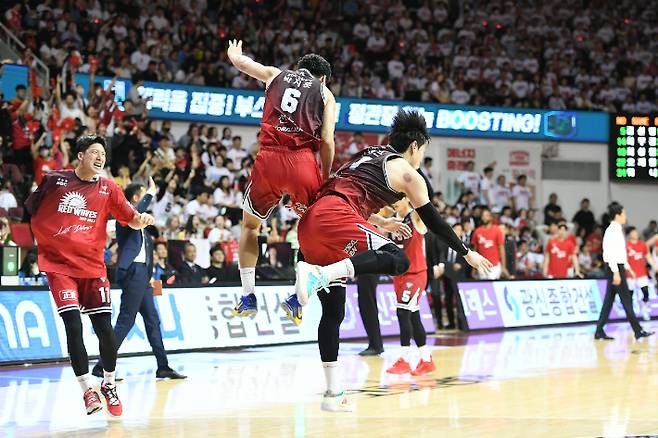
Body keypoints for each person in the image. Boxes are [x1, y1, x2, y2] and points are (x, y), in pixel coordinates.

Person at [285, 110, 492, 412]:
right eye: (423, 151)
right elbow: (434, 222)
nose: (421, 157)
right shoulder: (409, 174)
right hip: (335, 218)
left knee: (333, 313)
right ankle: (318, 276)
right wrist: (466, 252)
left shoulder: (367, 154)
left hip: (311, 223)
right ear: (415, 146)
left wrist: (381, 225)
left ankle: (332, 394)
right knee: (397, 259)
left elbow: (345, 193)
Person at [25, 135, 155, 417]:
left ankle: (108, 384)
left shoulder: (109, 188)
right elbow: (31, 208)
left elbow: (130, 218)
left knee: (104, 330)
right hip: (59, 267)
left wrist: (141, 219)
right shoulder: (54, 181)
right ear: (80, 156)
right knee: (72, 324)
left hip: (93, 268)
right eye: (94, 152)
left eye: (103, 154)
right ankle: (87, 389)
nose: (100, 157)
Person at [226, 40, 337, 321]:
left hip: (269, 160)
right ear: (322, 77)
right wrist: (325, 175)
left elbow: (243, 64)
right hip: (302, 162)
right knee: (315, 231)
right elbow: (326, 140)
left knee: (250, 227)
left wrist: (234, 55)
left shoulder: (276, 74)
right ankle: (297, 299)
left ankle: (248, 296)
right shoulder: (325, 93)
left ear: (299, 69)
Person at [92, 180, 186, 380]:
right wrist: (151, 192)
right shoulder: (124, 218)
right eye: (142, 195)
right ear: (136, 198)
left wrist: (150, 276)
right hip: (132, 272)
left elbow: (148, 254)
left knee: (153, 320)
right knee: (126, 321)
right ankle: (102, 366)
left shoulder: (143, 228)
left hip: (143, 275)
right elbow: (137, 211)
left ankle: (163, 366)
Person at [386, 198, 435, 376]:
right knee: (413, 317)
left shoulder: (416, 218)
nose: (394, 201)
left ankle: (404, 359)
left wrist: (412, 175)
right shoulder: (390, 220)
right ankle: (426, 360)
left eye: (398, 197)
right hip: (399, 275)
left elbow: (422, 198)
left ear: (407, 198)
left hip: (416, 273)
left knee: (402, 313)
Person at [594, 203, 653, 341]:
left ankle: (599, 331)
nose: (626, 216)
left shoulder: (617, 230)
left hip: (618, 266)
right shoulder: (612, 231)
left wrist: (627, 267)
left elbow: (620, 253)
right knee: (626, 300)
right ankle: (638, 331)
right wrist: (615, 271)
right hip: (614, 267)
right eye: (624, 214)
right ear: (618, 215)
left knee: (609, 301)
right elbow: (609, 253)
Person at [626, 227, 658, 321]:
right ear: (629, 234)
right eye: (633, 232)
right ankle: (631, 315)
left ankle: (645, 311)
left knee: (645, 292)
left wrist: (655, 266)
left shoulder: (642, 244)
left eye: (636, 232)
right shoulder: (626, 245)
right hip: (630, 274)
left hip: (642, 273)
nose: (636, 234)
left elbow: (648, 257)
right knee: (630, 295)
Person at [471, 207, 508, 279]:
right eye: (483, 216)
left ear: (491, 217)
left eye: (486, 216)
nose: (484, 218)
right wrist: (474, 268)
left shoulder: (497, 230)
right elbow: (475, 251)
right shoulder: (477, 231)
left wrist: (503, 267)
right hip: (481, 265)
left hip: (494, 266)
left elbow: (501, 249)